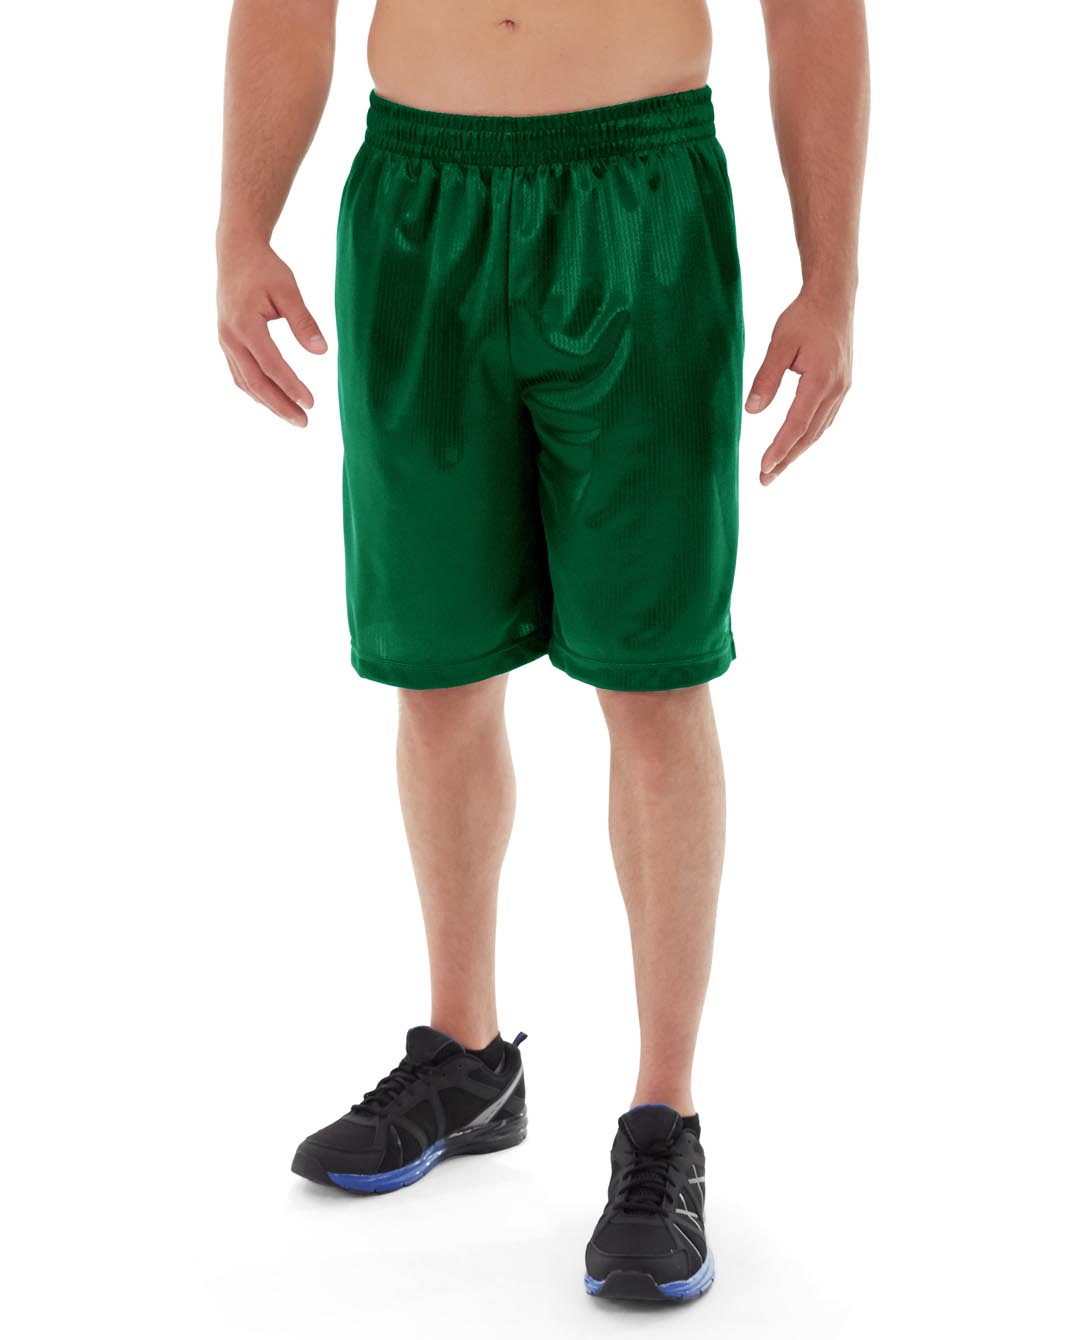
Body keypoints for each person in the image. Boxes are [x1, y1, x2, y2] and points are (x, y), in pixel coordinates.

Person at [216, 0, 868, 1303]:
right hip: (419, 200)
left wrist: (832, 279)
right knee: (436, 670)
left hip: (638, 201)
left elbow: (811, 12)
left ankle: (664, 1119)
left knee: (655, 676)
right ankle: (467, 1056)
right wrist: (241, 228)